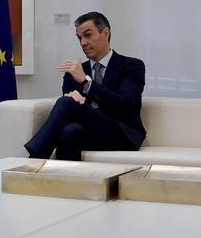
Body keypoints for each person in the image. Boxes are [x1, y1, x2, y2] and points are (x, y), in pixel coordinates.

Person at [24, 11, 146, 161]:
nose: (83, 43)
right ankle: (65, 181)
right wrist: (72, 99)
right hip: (88, 133)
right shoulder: (73, 73)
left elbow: (126, 105)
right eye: (79, 38)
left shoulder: (132, 66)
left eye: (88, 35)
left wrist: (87, 83)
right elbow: (70, 111)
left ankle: (35, 158)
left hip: (121, 134)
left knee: (66, 105)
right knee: (70, 130)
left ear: (105, 33)